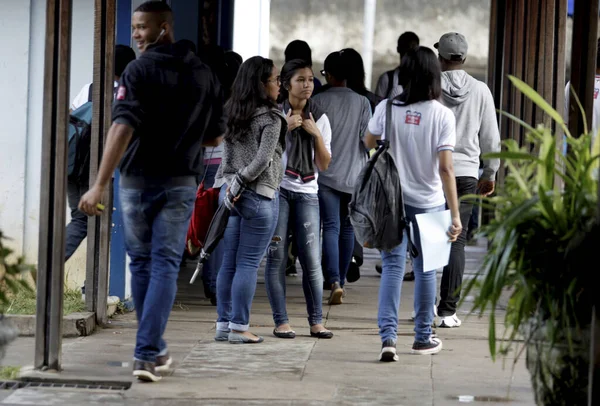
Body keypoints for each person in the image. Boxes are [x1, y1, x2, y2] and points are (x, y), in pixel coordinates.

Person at [78, 1, 224, 382]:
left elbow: (121, 126)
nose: (137, 35)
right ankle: (152, 351)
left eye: (142, 27)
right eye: (134, 28)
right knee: (160, 264)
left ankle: (147, 353)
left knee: (147, 264)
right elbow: (215, 134)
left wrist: (99, 183)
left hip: (138, 181)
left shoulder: (138, 70)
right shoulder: (203, 74)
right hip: (180, 182)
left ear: (164, 27)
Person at [365, 46, 462, 360]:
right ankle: (422, 338)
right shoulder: (442, 115)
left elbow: (368, 142)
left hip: (392, 201)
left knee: (392, 268)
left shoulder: (387, 108)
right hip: (431, 202)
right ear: (435, 76)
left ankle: (388, 339)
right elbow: (446, 168)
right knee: (426, 271)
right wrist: (455, 214)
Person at [212, 56, 287, 344]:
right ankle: (239, 326)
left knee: (228, 263)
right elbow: (263, 159)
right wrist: (242, 182)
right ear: (260, 83)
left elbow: (227, 155)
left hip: (228, 194)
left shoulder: (232, 111)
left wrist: (230, 187)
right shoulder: (271, 117)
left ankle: (223, 323)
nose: (279, 85)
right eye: (275, 80)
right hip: (257, 195)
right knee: (247, 264)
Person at [435, 32, 501, 328]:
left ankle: (424, 307)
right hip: (465, 174)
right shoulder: (481, 90)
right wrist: (489, 173)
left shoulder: (430, 87)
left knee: (427, 240)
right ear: (464, 58)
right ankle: (448, 311)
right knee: (456, 242)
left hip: (433, 171)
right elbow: (490, 137)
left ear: (441, 57)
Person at [264, 59, 333, 340]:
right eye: (300, 80)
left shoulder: (321, 117)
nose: (307, 85)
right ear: (285, 84)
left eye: (310, 79)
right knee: (276, 257)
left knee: (312, 260)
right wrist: (286, 129)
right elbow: (265, 157)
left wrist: (315, 134)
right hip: (278, 190)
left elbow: (325, 164)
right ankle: (281, 321)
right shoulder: (273, 115)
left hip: (307, 193)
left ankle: (316, 322)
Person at [65, 44, 136, 262]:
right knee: (96, 222)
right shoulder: (127, 92)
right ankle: (52, 265)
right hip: (99, 171)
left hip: (73, 166)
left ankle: (83, 279)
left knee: (82, 219)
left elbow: (71, 115)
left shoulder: (89, 88)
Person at [313, 51, 371, 304]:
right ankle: (342, 282)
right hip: (353, 176)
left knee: (330, 227)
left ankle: (333, 279)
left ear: (330, 75)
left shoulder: (316, 101)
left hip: (325, 176)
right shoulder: (362, 103)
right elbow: (367, 141)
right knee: (348, 229)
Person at [201, 51, 243, 305]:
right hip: (233, 172)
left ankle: (210, 283)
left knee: (209, 228)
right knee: (227, 228)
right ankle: (221, 285)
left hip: (206, 169)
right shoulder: (241, 103)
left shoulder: (205, 97)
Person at [374, 31, 419, 99]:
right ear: (398, 49)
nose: (409, 54)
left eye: (412, 50)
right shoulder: (387, 79)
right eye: (406, 49)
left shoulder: (422, 78)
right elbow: (378, 107)